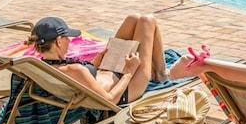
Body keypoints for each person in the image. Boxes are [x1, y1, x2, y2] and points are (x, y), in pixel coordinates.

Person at [26, 15, 191, 105]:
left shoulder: (43, 65)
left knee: (132, 19)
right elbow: (109, 100)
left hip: (108, 70)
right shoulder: (74, 70)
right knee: (148, 20)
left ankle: (159, 70)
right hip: (126, 89)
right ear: (58, 41)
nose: (70, 40)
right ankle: (162, 74)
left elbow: (82, 80)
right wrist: (129, 72)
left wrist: (95, 64)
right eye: (67, 37)